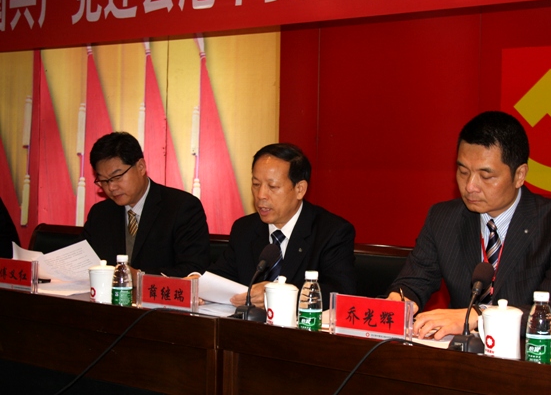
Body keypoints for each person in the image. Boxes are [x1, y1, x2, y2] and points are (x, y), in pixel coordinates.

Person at [387, 111, 551, 339]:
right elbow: (413, 282)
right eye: (463, 172)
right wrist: (400, 301)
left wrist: (478, 316)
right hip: (458, 353)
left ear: (520, 175)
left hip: (525, 355)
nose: (470, 186)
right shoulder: (443, 218)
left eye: (486, 176)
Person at [206, 143, 356, 309]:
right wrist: (198, 286)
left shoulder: (331, 232)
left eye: (272, 187)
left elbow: (341, 292)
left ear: (300, 189)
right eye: (256, 184)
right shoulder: (245, 229)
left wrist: (278, 294)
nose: (261, 195)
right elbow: (219, 277)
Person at [81, 132, 211, 280]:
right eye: (104, 181)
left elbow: (194, 269)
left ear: (141, 167)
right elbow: (81, 259)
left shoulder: (182, 207)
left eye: (117, 177)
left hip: (158, 295)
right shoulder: (100, 213)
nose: (111, 187)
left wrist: (140, 277)